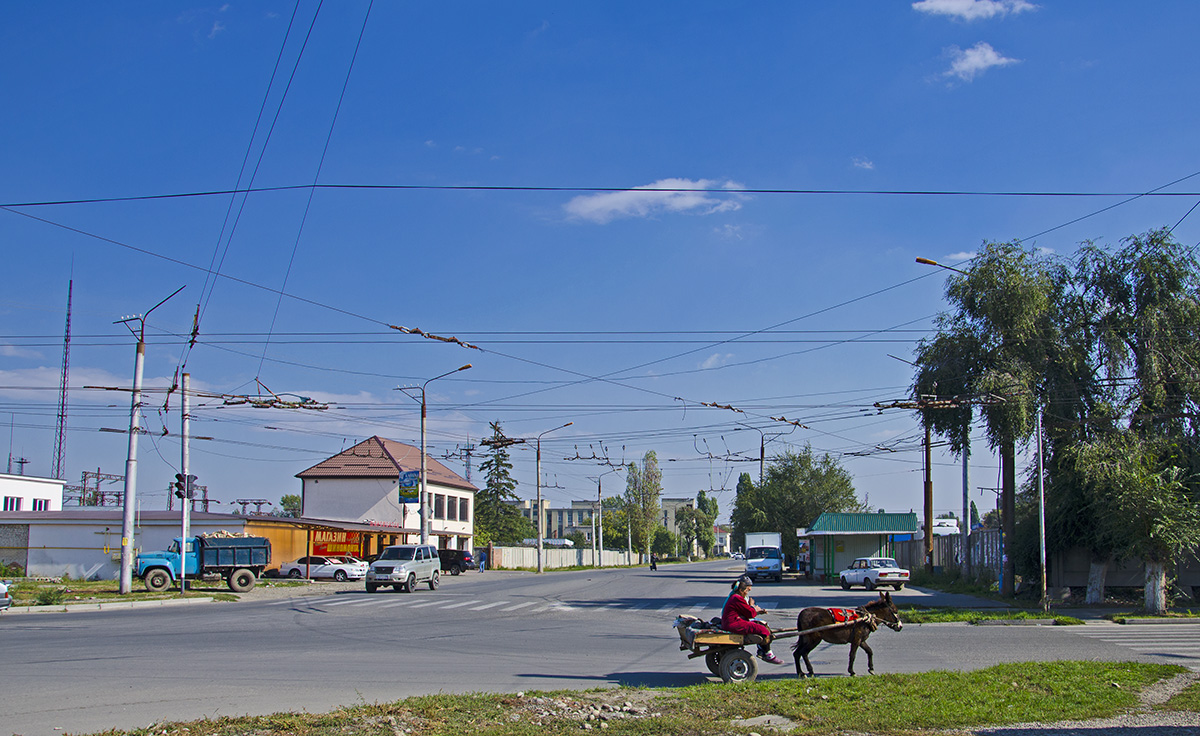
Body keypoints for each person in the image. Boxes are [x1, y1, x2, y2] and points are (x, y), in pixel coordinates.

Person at [721, 575, 782, 664]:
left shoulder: (735, 597)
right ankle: (767, 654)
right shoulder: (737, 598)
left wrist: (755, 609)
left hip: (733, 621)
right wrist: (753, 607)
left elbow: (747, 612)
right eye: (747, 590)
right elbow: (750, 613)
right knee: (763, 630)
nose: (748, 593)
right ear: (741, 590)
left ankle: (762, 650)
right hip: (733, 624)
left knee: (760, 624)